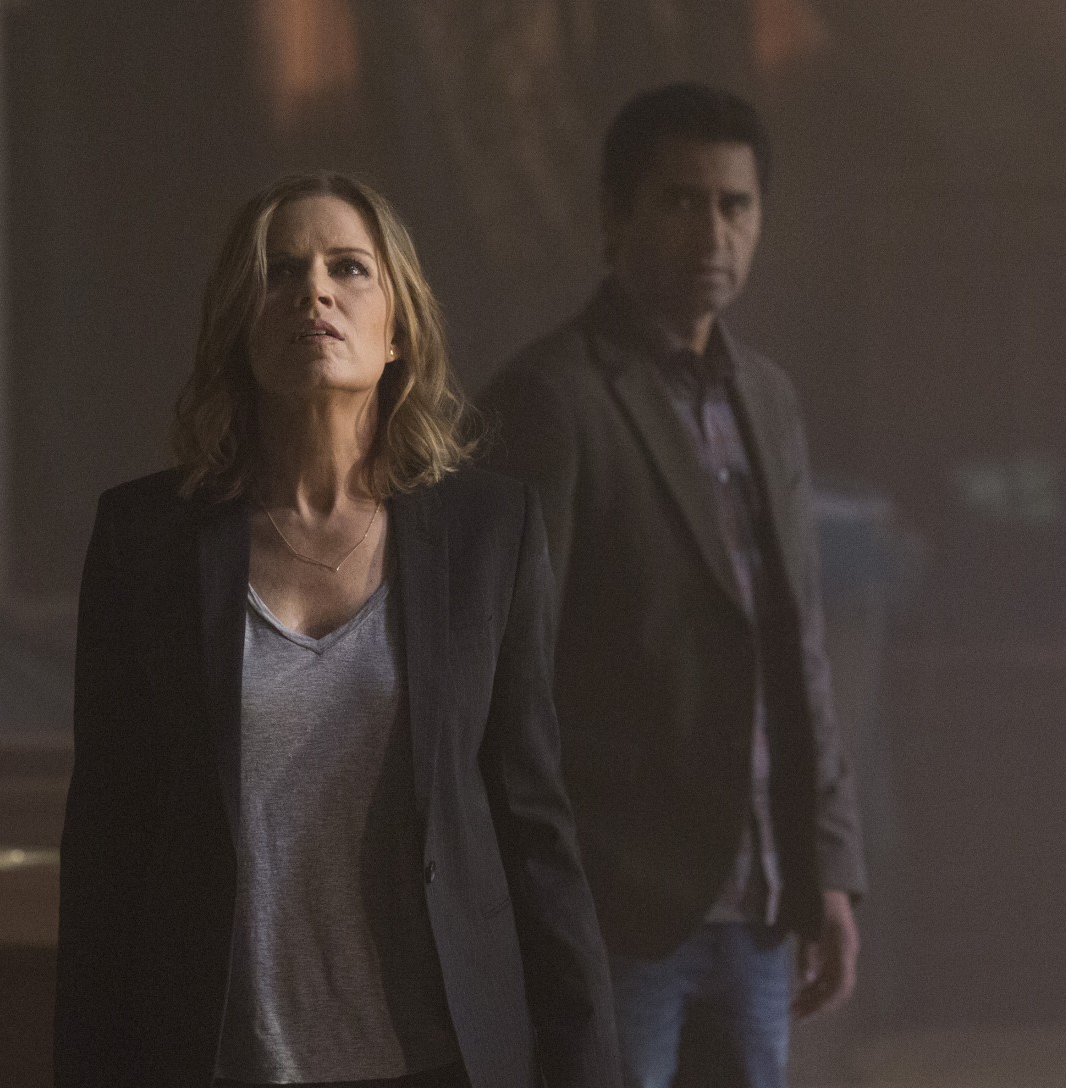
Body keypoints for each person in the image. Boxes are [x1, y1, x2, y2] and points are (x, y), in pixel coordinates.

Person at [55, 172, 618, 1088]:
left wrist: (588, 1064)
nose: (313, 291)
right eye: (280, 272)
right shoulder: (144, 540)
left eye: (348, 268)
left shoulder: (488, 532)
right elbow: (106, 845)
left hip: (438, 1058)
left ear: (397, 330)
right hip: (222, 1059)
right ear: (239, 326)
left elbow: (533, 824)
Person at [478, 84, 866, 1088]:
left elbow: (796, 647)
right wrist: (546, 897)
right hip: (619, 910)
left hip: (761, 901)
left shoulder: (767, 399)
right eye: (681, 201)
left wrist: (827, 863)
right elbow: (503, 677)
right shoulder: (548, 398)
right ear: (615, 215)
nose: (712, 231)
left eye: (735, 205)